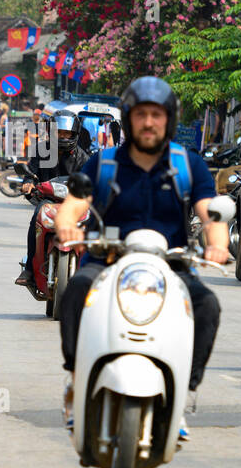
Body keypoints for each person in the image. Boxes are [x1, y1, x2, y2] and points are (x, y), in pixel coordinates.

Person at [54, 77, 229, 440]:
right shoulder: (103, 164)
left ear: (169, 120)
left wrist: (218, 243)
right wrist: (68, 226)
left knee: (207, 305)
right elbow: (72, 205)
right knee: (75, 290)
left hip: (171, 265)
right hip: (107, 260)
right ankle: (76, 379)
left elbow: (210, 213)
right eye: (141, 115)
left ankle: (183, 393)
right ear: (129, 120)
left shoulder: (188, 166)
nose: (149, 122)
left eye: (157, 115)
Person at [15, 110, 92, 288]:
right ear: (51, 131)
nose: (63, 136)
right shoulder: (41, 150)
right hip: (48, 201)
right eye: (59, 132)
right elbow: (31, 173)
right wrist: (28, 183)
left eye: (67, 133)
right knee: (36, 219)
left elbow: (91, 179)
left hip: (74, 204)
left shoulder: (83, 156)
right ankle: (28, 269)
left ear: (74, 134)